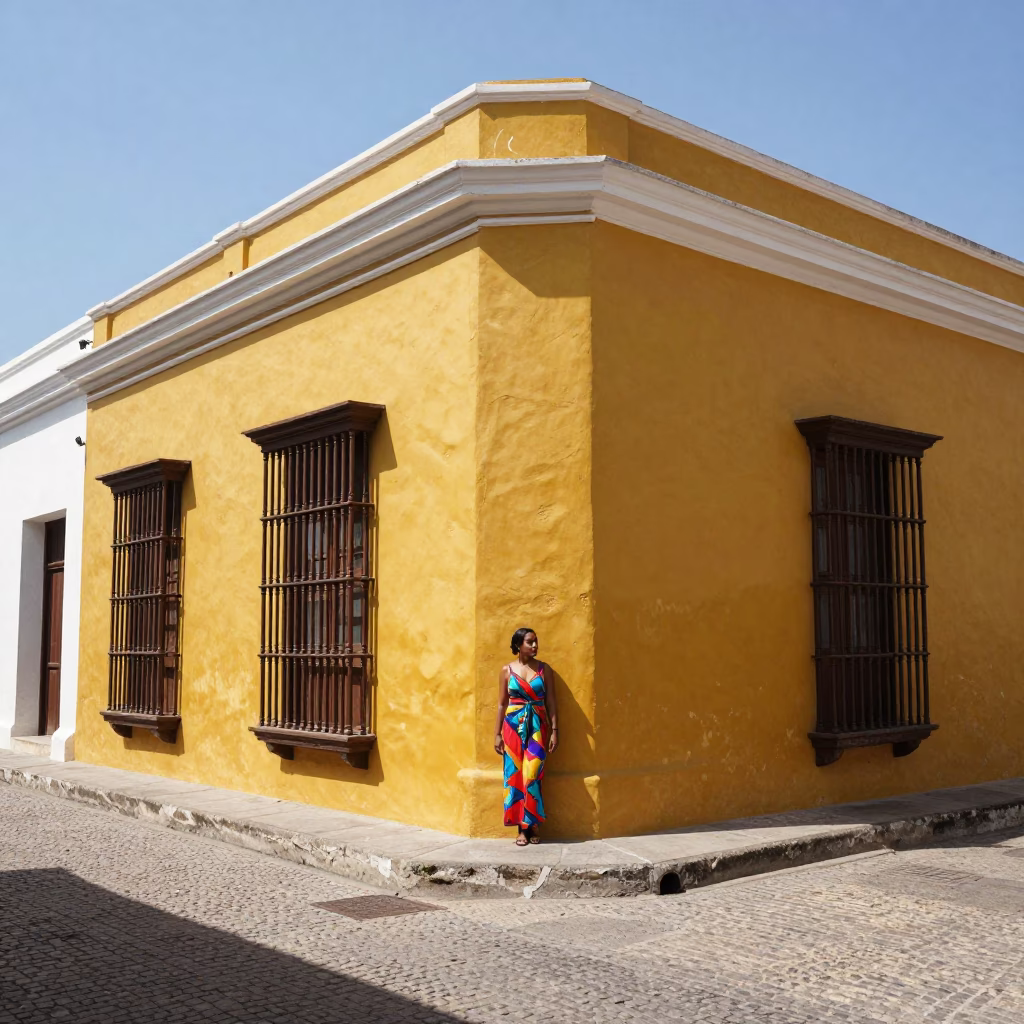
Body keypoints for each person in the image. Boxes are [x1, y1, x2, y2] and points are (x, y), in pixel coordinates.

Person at [494, 627, 558, 845]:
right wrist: (497, 734)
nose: (535, 646)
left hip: (538, 727)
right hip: (512, 728)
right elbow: (502, 704)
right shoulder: (506, 670)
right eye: (530, 642)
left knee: (532, 774)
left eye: (536, 641)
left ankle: (534, 822)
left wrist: (555, 731)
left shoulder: (544, 670)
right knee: (514, 775)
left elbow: (551, 702)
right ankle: (522, 828)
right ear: (518, 645)